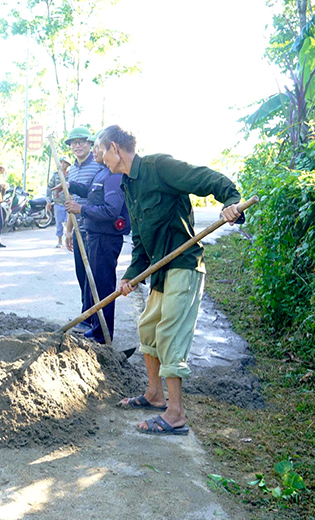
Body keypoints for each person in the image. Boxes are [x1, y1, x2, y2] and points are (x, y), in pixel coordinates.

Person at [97, 124, 244, 435]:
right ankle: (155, 394)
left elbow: (204, 177)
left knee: (169, 335)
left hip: (184, 265)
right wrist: (130, 277)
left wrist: (230, 200)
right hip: (160, 271)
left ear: (114, 147)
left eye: (100, 152)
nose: (100, 160)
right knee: (148, 327)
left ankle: (176, 415)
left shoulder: (158, 167)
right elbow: (141, 242)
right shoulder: (128, 185)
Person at [54, 132, 130, 344]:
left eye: (98, 148)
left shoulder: (114, 176)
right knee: (94, 282)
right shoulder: (102, 174)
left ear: (110, 150)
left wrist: (81, 209)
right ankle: (95, 327)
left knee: (103, 285)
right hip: (95, 236)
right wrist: (70, 186)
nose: (96, 151)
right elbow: (89, 190)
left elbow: (111, 210)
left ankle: (102, 336)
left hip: (106, 238)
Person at [63, 126, 103, 330]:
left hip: (93, 227)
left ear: (90, 144)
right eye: (73, 142)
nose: (77, 145)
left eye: (82, 141)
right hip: (78, 228)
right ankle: (85, 314)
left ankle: (90, 318)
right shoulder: (71, 170)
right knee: (81, 273)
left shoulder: (97, 166)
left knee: (92, 275)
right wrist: (68, 230)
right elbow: (72, 202)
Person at [46, 157, 71, 248]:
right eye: (61, 162)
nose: (62, 164)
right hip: (58, 203)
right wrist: (48, 201)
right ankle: (59, 240)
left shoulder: (71, 174)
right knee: (59, 223)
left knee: (69, 222)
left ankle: (69, 239)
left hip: (69, 203)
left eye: (64, 162)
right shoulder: (56, 175)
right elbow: (49, 187)